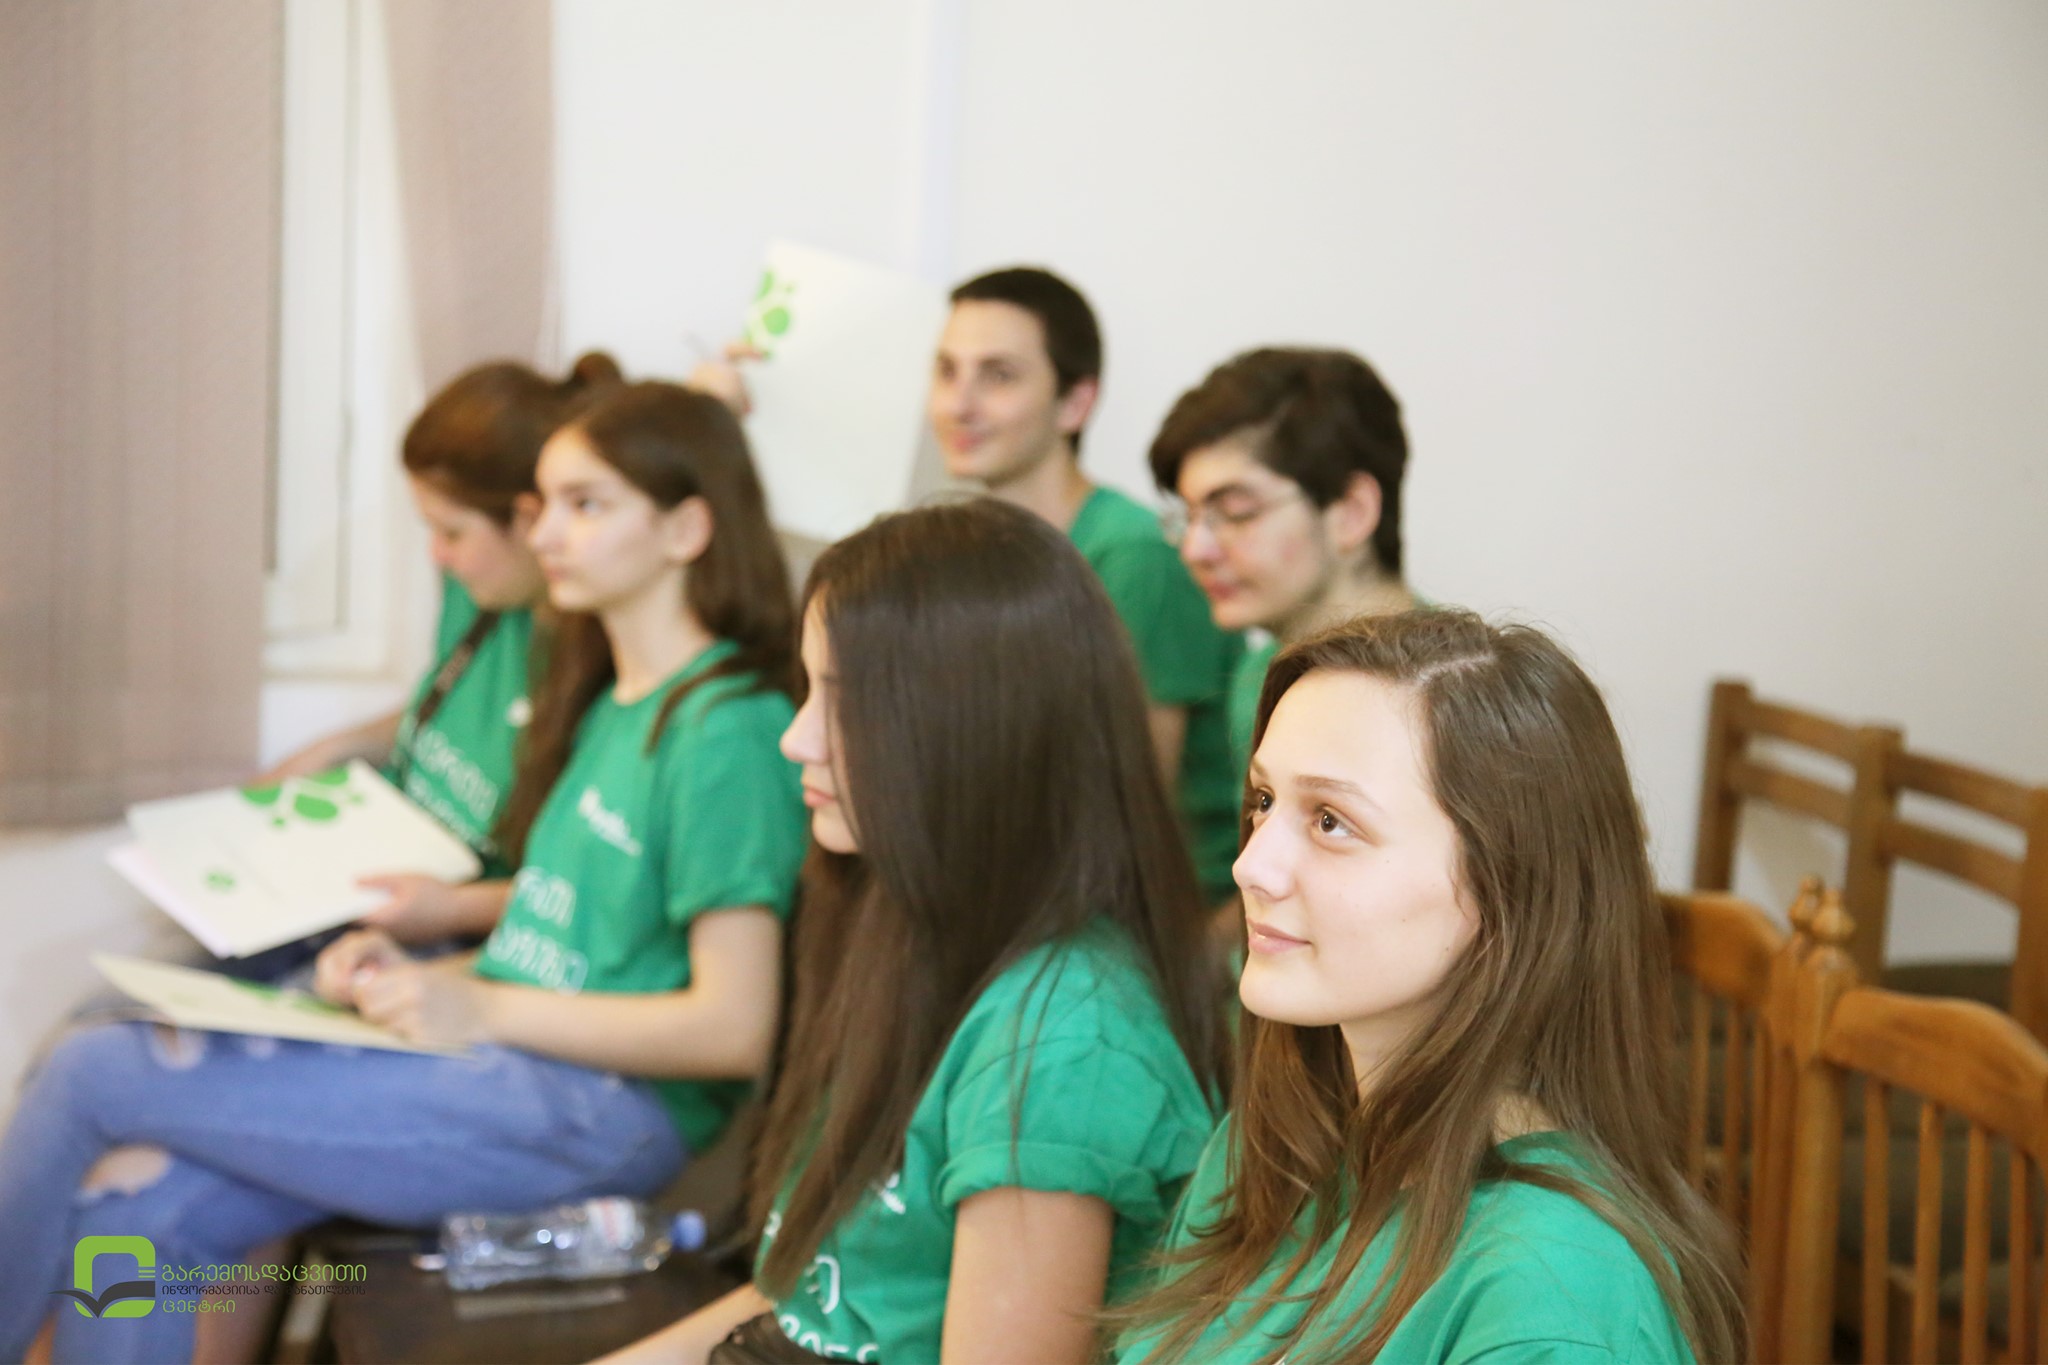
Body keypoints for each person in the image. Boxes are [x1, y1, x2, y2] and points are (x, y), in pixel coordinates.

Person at [0, 382, 808, 1365]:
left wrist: (483, 1006)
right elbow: (561, 940)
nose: (547, 532)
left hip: (596, 1113)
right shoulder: (617, 703)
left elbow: (733, 1027)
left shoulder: (726, 728)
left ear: (685, 529)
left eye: (585, 505)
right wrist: (407, 975)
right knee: (136, 1218)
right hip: (514, 1063)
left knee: (93, 1068)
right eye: (545, 504)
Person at [606, 500, 1226, 1365]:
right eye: (808, 690)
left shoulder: (1064, 1043)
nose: (795, 738)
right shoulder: (906, 923)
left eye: (845, 700)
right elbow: (802, 1301)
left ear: (974, 725)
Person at [1111, 610, 1745, 1364]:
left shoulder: (1551, 1299)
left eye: (1331, 821)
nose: (1251, 866)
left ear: (1507, 885)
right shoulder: (1274, 1148)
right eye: (1264, 801)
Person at [695, 268, 1245, 906]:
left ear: (1075, 402)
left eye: (998, 376)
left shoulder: (1134, 556)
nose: (959, 404)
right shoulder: (970, 554)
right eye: (946, 371)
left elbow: (1125, 809)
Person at [255, 351, 623, 943]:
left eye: (452, 532)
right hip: (380, 883)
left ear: (531, 521)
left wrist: (454, 910)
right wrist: (330, 751)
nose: (438, 555)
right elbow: (457, 713)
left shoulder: (611, 665)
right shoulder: (482, 598)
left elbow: (596, 890)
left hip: (465, 936)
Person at [1147, 347, 1417, 780]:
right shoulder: (1259, 674)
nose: (1195, 549)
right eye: (1189, 517)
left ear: (1352, 512)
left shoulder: (1453, 693)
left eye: (1236, 512)